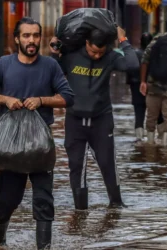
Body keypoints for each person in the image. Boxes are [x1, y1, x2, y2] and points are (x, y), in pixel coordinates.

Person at [0, 17, 74, 249]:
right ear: (17, 39)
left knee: (44, 200)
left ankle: (44, 247)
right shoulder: (4, 64)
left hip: (41, 145)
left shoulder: (50, 66)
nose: (31, 40)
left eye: (35, 35)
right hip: (11, 146)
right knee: (7, 201)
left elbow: (67, 97)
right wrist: (5, 99)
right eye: (26, 35)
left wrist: (42, 100)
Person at [50, 26, 139, 210]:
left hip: (101, 119)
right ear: (86, 43)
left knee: (107, 163)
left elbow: (132, 65)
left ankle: (116, 205)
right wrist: (54, 52)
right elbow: (52, 73)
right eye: (93, 51)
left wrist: (123, 40)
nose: (97, 56)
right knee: (77, 165)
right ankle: (80, 210)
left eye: (101, 52)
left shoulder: (111, 57)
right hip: (75, 119)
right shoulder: (71, 55)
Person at [126, 32, 164, 140]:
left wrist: (131, 83)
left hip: (136, 86)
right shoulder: (157, 54)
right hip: (153, 86)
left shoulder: (134, 53)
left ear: (140, 42)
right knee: (158, 113)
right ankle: (161, 138)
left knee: (139, 113)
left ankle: (139, 139)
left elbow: (129, 70)